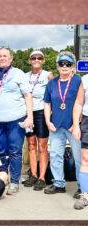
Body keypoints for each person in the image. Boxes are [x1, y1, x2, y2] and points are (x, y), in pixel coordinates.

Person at [0, 47, 33, 194]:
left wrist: (30, 116)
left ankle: (15, 181)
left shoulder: (18, 74)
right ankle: (3, 178)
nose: (2, 58)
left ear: (11, 58)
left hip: (16, 119)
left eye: (5, 56)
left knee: (15, 151)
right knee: (0, 151)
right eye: (0, 56)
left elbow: (28, 96)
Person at [44, 51, 81, 196]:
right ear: (57, 66)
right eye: (61, 63)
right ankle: (58, 183)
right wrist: (48, 121)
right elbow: (47, 104)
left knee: (78, 157)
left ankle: (82, 186)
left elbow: (82, 103)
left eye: (68, 64)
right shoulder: (52, 83)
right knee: (55, 155)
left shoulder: (78, 81)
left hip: (73, 127)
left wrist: (77, 123)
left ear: (73, 67)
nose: (64, 66)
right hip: (56, 126)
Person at [22, 50, 53, 191]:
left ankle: (42, 177)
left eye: (39, 58)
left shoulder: (47, 75)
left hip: (41, 113)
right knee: (31, 145)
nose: (36, 60)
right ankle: (33, 175)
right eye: (33, 58)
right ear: (29, 60)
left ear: (43, 60)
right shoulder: (24, 76)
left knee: (42, 146)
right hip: (28, 114)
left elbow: (55, 93)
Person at [72, 73, 88, 209]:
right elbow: (78, 103)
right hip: (87, 121)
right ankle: (85, 195)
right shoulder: (85, 79)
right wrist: (76, 125)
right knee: (85, 159)